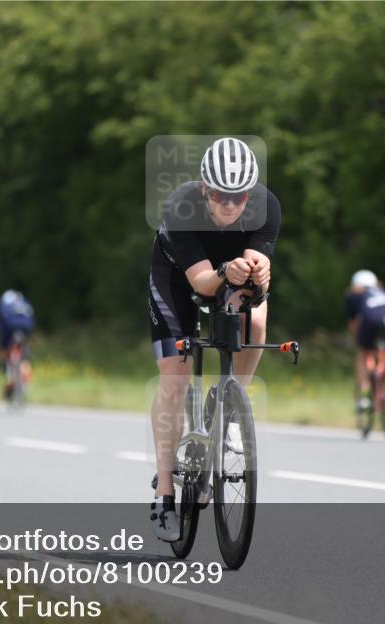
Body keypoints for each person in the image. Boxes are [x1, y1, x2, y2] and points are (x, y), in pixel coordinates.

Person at [148, 137, 280, 541]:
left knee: (255, 324)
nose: (229, 205)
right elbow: (203, 283)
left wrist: (258, 272)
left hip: (230, 274)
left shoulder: (266, 206)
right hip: (178, 276)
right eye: (220, 195)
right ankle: (166, 496)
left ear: (250, 194)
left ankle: (233, 406)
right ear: (205, 189)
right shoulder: (180, 205)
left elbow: (260, 265)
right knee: (175, 379)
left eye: (238, 196)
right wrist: (227, 272)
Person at [345, 270, 385, 412]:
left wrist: (359, 341)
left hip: (371, 321)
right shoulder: (384, 292)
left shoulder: (355, 294)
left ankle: (364, 394)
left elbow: (354, 324)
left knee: (363, 354)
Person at [0, 289, 35, 399]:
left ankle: (5, 370)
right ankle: (26, 378)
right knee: (24, 356)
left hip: (8, 326)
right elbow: (32, 315)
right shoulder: (23, 301)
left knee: (3, 349)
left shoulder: (3, 302)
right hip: (27, 326)